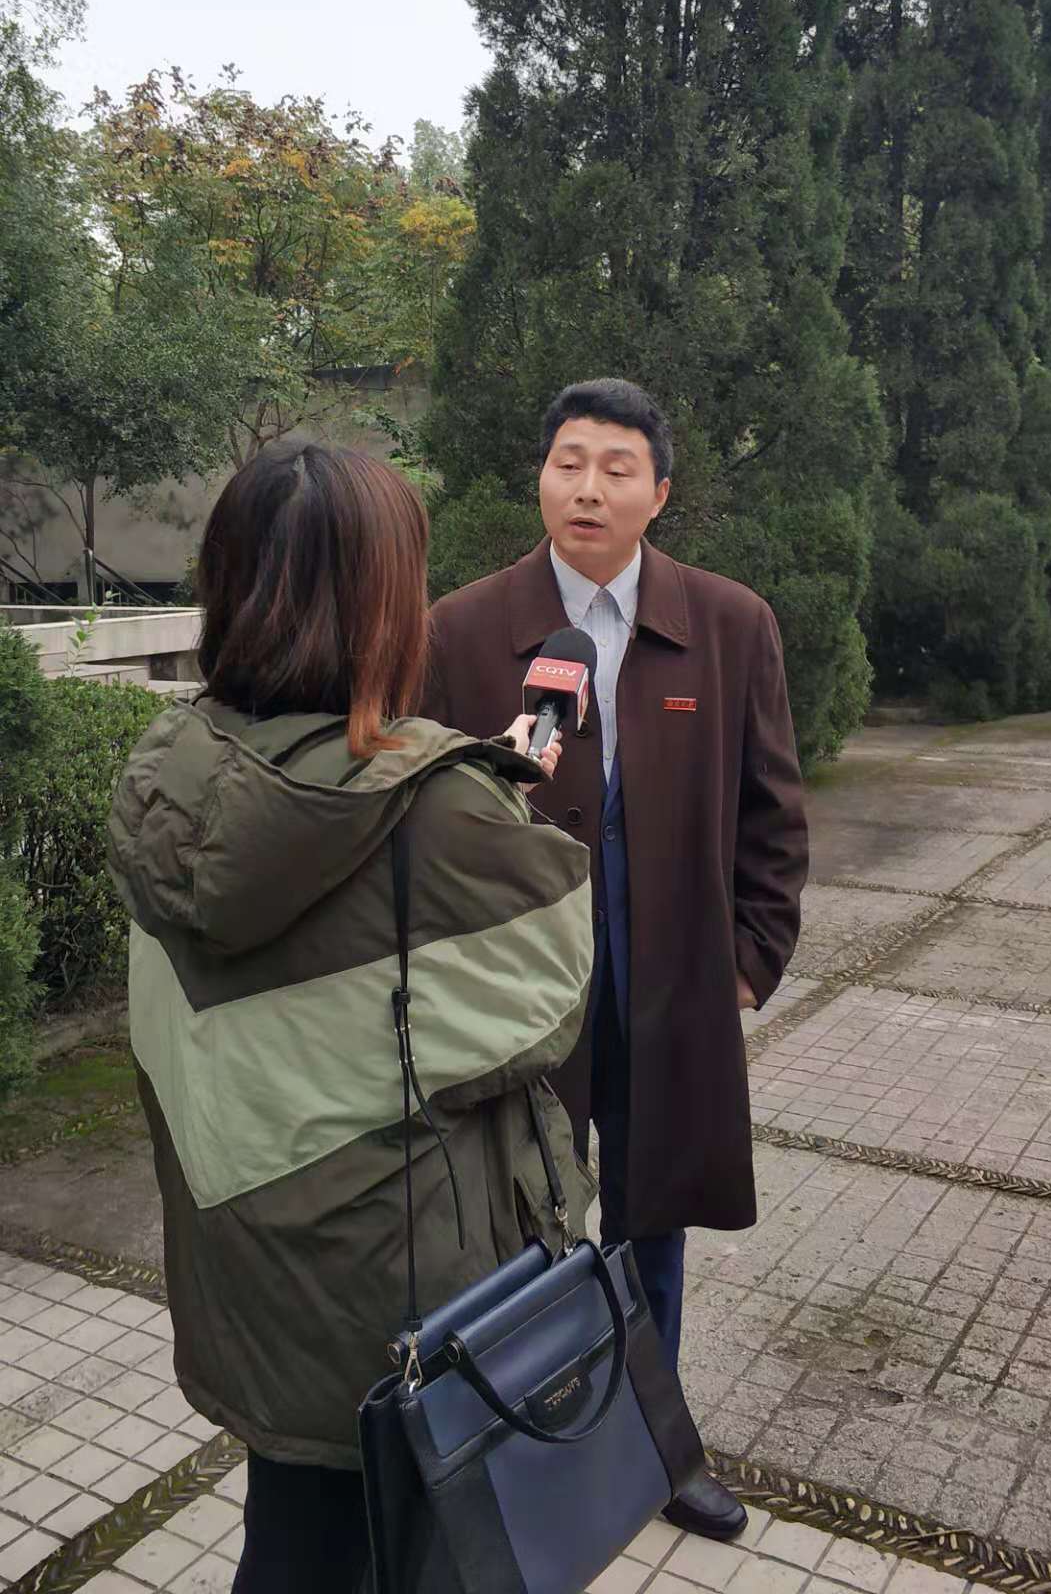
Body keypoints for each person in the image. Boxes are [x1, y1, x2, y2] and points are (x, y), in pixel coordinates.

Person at [107, 441, 595, 1594]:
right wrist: (484, 795)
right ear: (388, 606)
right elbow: (550, 1000)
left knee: (291, 1540)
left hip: (253, 1285)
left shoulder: (175, 769)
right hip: (401, 1311)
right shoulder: (443, 813)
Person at [423, 378, 810, 1546]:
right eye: (568, 462)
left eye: (617, 468)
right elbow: (424, 820)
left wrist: (748, 961)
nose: (587, 488)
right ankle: (526, 1457)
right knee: (520, 1232)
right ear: (540, 476)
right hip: (520, 999)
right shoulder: (462, 631)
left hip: (670, 987)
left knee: (653, 1224)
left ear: (660, 493)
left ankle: (658, 1452)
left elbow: (774, 813)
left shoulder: (728, 624)